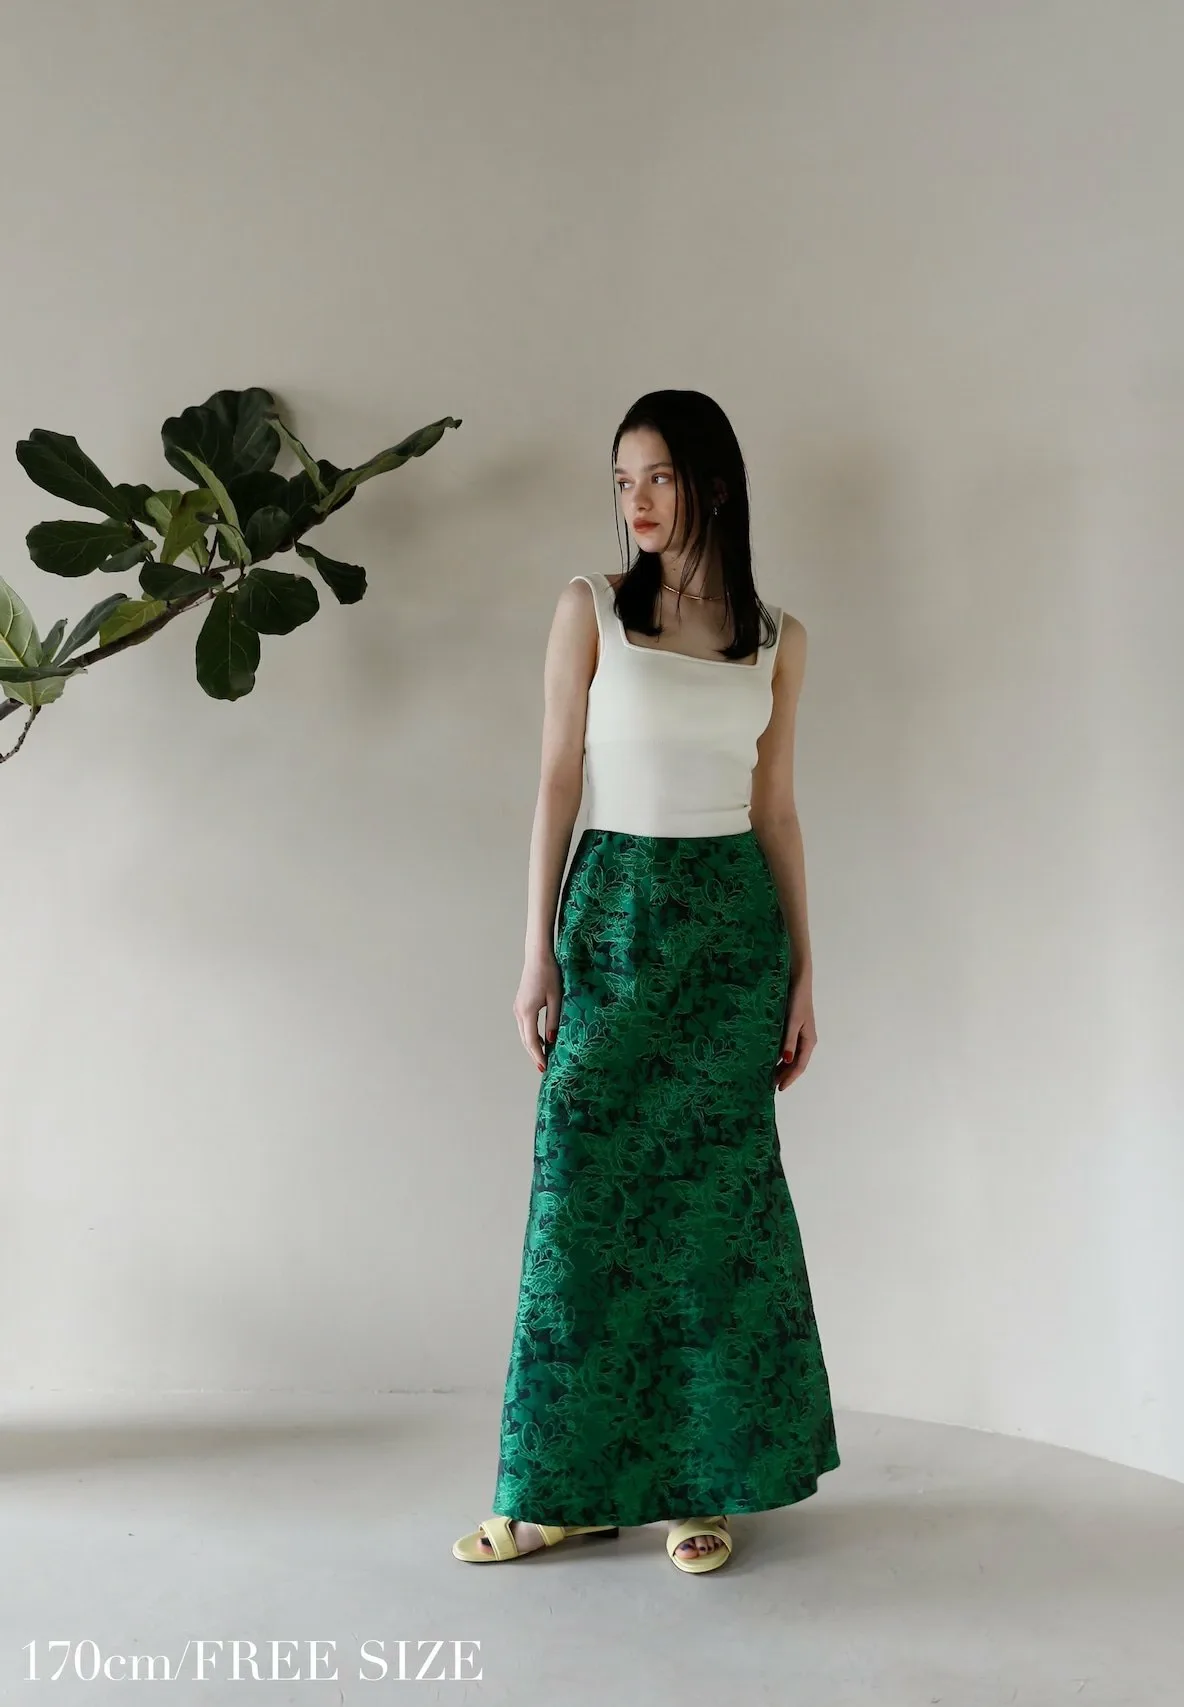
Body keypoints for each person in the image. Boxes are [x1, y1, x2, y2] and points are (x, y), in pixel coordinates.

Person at [452, 390, 840, 1575]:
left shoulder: (776, 637)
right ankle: (556, 1494)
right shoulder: (590, 610)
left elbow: (775, 810)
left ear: (710, 484)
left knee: (712, 1211)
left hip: (729, 933)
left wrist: (804, 970)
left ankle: (695, 1485)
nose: (636, 501)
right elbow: (555, 782)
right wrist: (535, 950)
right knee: (578, 1197)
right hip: (612, 917)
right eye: (622, 480)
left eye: (658, 476)